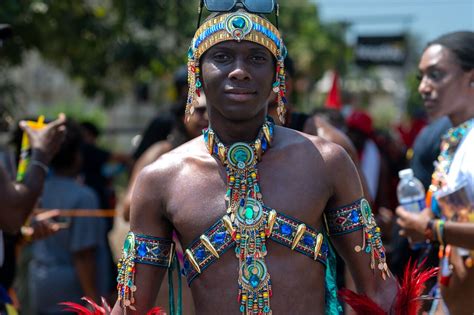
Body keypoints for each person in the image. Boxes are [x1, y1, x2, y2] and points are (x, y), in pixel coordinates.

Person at [112, 6, 396, 315]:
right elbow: (131, 308)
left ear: (277, 75)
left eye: (257, 58)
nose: (239, 71)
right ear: (197, 72)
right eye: (221, 57)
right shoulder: (161, 178)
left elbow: (379, 288)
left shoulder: (326, 161)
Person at [396, 31, 474, 314]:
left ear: (471, 77)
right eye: (422, 77)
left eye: (436, 75)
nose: (424, 87)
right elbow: (464, 214)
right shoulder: (457, 139)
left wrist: (429, 229)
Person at [26, 120, 110, 314]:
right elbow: (83, 255)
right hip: (71, 289)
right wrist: (94, 302)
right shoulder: (84, 196)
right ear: (77, 156)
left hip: (40, 279)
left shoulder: (37, 190)